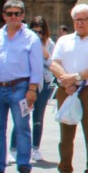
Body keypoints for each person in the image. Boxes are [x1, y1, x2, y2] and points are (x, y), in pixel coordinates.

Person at [49, 4, 88, 173]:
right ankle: (64, 171)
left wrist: (76, 77)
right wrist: (65, 80)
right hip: (66, 90)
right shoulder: (64, 40)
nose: (80, 23)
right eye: (76, 20)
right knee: (65, 133)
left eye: (83, 20)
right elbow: (54, 63)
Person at [0, 0, 42, 173]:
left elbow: (37, 67)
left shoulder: (31, 37)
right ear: (3, 16)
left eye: (17, 13)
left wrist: (32, 89)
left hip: (20, 87)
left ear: (23, 16)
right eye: (9, 14)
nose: (13, 17)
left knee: (22, 128)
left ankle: (24, 165)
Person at [28, 15, 57, 162]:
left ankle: (35, 148)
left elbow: (53, 63)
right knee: (22, 116)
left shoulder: (49, 43)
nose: (38, 35)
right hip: (28, 83)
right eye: (35, 31)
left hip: (44, 83)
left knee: (38, 117)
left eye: (41, 32)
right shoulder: (26, 41)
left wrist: (46, 54)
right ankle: (15, 148)